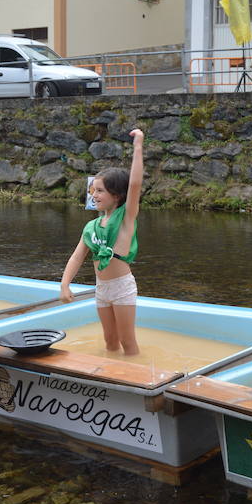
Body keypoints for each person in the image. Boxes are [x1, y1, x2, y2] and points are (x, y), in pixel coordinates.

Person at [60, 129, 144, 355]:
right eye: (93, 190)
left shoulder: (125, 217)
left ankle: (135, 377)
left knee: (128, 342)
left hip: (122, 287)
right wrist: (65, 283)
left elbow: (134, 184)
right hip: (102, 288)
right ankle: (114, 373)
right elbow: (77, 256)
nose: (94, 195)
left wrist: (138, 146)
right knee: (110, 341)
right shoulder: (92, 226)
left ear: (116, 195)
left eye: (100, 191)